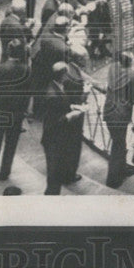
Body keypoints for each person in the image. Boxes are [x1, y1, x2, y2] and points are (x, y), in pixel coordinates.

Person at [0, 39, 33, 182]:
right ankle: (5, 170)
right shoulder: (27, 69)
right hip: (18, 110)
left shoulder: (0, 68)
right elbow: (29, 92)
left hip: (1, 108)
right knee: (11, 141)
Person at [39, 61, 87, 195]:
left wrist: (73, 107)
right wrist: (73, 114)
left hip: (56, 137)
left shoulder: (56, 86)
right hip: (53, 139)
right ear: (64, 75)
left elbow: (61, 106)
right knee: (54, 176)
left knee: (55, 173)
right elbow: (57, 120)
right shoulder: (53, 95)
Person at [103, 52, 134, 188]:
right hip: (121, 114)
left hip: (109, 110)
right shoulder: (133, 75)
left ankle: (122, 169)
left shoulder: (112, 67)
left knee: (118, 142)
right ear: (130, 62)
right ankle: (113, 179)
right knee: (118, 146)